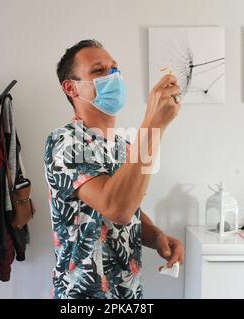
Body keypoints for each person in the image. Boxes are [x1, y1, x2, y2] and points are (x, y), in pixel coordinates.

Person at [44, 39, 184, 299]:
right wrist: (153, 125)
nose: (113, 76)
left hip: (127, 293)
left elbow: (129, 209)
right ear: (71, 88)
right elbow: (115, 207)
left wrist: (157, 237)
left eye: (115, 69)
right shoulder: (65, 142)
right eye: (99, 71)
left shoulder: (125, 146)